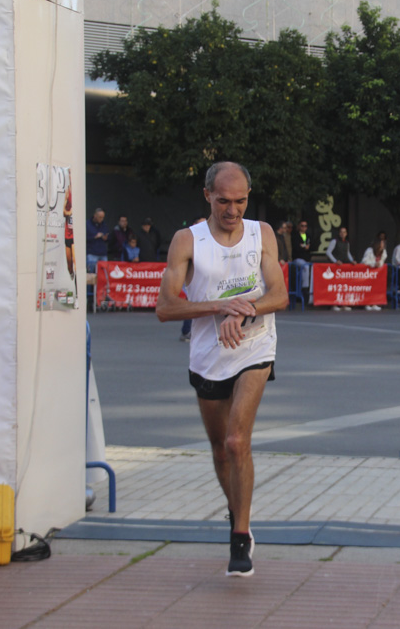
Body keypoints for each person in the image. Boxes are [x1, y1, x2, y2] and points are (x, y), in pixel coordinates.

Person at [155, 162, 285, 579]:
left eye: (241, 200)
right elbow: (166, 308)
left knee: (235, 440)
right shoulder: (186, 240)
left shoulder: (260, 233)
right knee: (217, 448)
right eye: (224, 201)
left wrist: (244, 310)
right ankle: (237, 508)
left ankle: (240, 536)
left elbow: (279, 295)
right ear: (207, 195)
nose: (233, 209)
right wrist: (219, 307)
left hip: (255, 346)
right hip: (209, 353)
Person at [361, 238, 387, 311]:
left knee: (376, 288)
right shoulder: (369, 250)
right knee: (368, 288)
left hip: (377, 273)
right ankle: (367, 303)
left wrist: (379, 264)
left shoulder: (384, 251)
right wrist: (374, 264)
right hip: (367, 272)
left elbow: (382, 260)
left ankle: (374, 303)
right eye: (381, 243)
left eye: (383, 244)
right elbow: (364, 261)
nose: (383, 245)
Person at [86, 208, 109, 272]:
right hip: (92, 253)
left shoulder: (104, 225)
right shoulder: (87, 224)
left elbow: (108, 236)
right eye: (100, 217)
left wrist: (106, 237)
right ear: (95, 215)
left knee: (104, 273)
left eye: (103, 217)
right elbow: (83, 238)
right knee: (91, 273)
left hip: (103, 253)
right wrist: (94, 237)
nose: (101, 219)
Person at [291, 219, 312, 288]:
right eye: (302, 226)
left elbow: (313, 246)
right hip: (298, 258)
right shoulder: (295, 235)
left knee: (312, 269)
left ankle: (310, 288)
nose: (304, 227)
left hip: (307, 258)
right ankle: (304, 287)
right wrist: (303, 247)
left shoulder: (308, 236)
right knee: (305, 267)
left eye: (305, 226)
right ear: (299, 226)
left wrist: (308, 247)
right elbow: (295, 247)